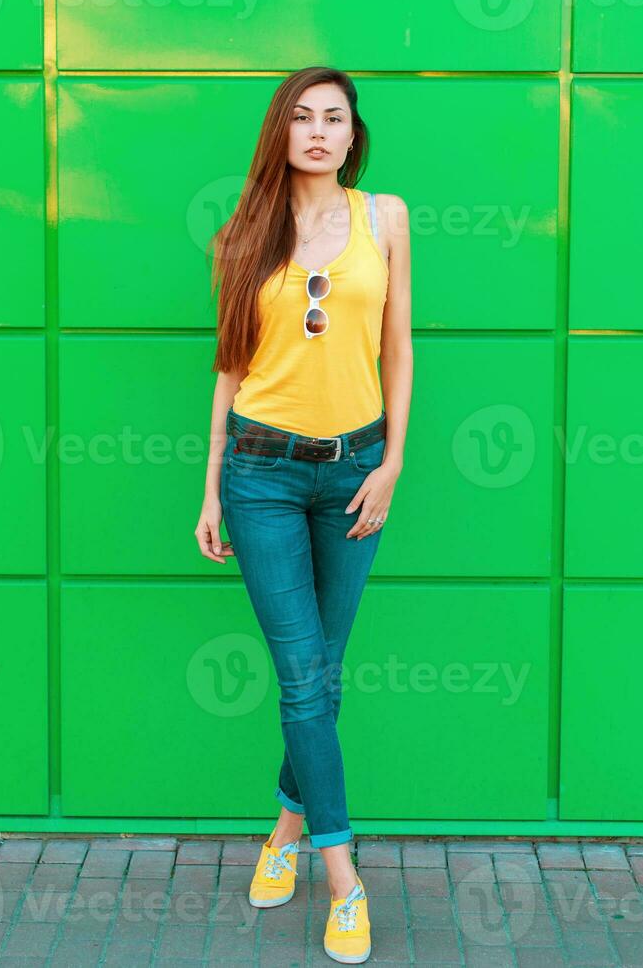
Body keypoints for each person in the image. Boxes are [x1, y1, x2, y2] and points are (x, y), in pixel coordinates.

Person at [193, 65, 413, 964]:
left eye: (333, 117)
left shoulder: (386, 217)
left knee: (322, 677)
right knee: (301, 678)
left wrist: (394, 462)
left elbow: (398, 349)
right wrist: (210, 486)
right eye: (300, 117)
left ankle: (283, 832)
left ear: (353, 134)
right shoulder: (242, 235)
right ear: (278, 134)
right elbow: (229, 370)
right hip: (262, 475)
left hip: (355, 470)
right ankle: (341, 875)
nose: (318, 131)